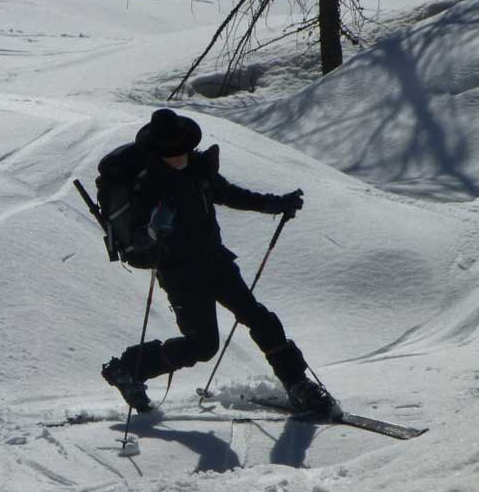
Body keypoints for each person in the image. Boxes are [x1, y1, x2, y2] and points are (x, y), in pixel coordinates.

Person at [99, 108, 337, 415]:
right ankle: (130, 369)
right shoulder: (148, 185)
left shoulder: (198, 168)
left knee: (259, 317)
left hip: (215, 260)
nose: (179, 155)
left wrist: (273, 204)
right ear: (158, 152)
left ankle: (297, 383)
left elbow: (228, 194)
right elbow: (137, 239)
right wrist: (152, 230)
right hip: (180, 274)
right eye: (172, 151)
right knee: (203, 345)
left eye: (182, 148)